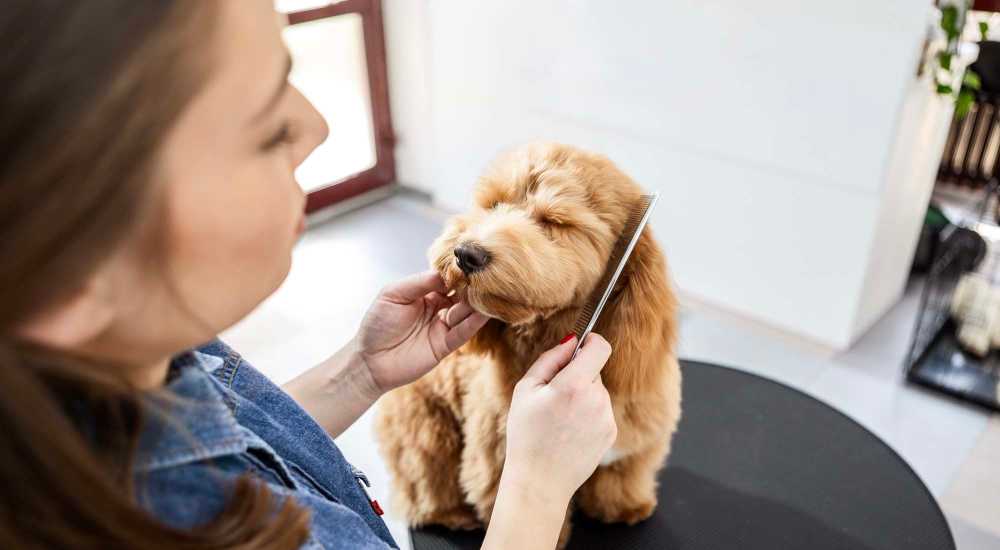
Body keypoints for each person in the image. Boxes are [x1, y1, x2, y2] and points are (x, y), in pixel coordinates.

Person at [0, 1, 618, 548]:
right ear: (75, 268)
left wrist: (359, 372)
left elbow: (231, 450)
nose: (316, 129)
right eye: (268, 124)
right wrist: (534, 493)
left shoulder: (131, 357)